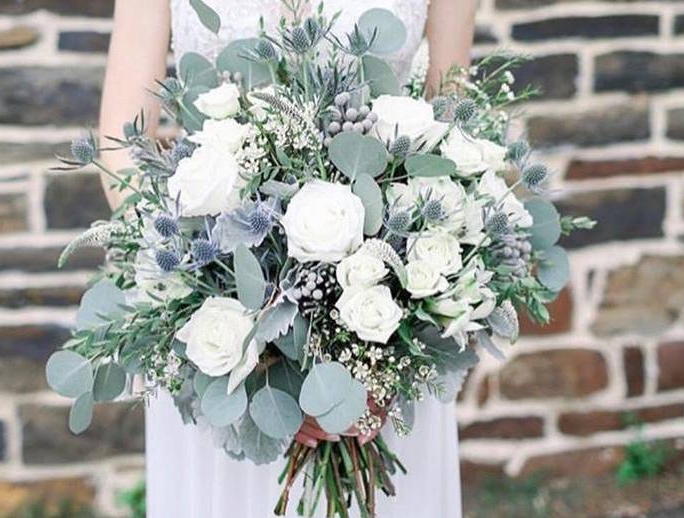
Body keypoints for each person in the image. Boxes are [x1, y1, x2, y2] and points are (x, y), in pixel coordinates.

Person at [99, 1, 477, 516]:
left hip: (387, 332)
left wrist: (386, 341)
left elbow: (452, 125)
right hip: (224, 340)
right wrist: (236, 326)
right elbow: (120, 149)